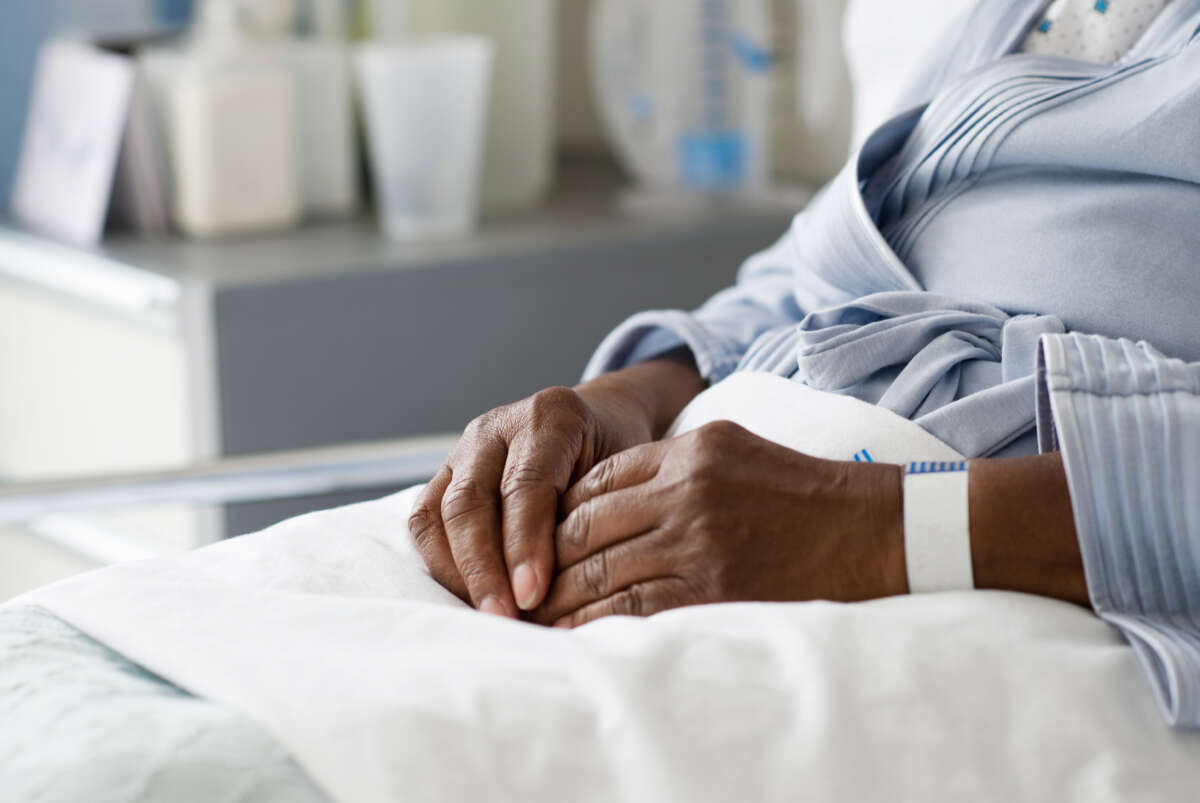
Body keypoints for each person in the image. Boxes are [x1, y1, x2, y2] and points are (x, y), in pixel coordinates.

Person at [410, 0, 1200, 727]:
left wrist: (889, 528)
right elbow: (828, 266)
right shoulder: (1018, 20)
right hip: (723, 474)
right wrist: (624, 397)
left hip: (1028, 564)